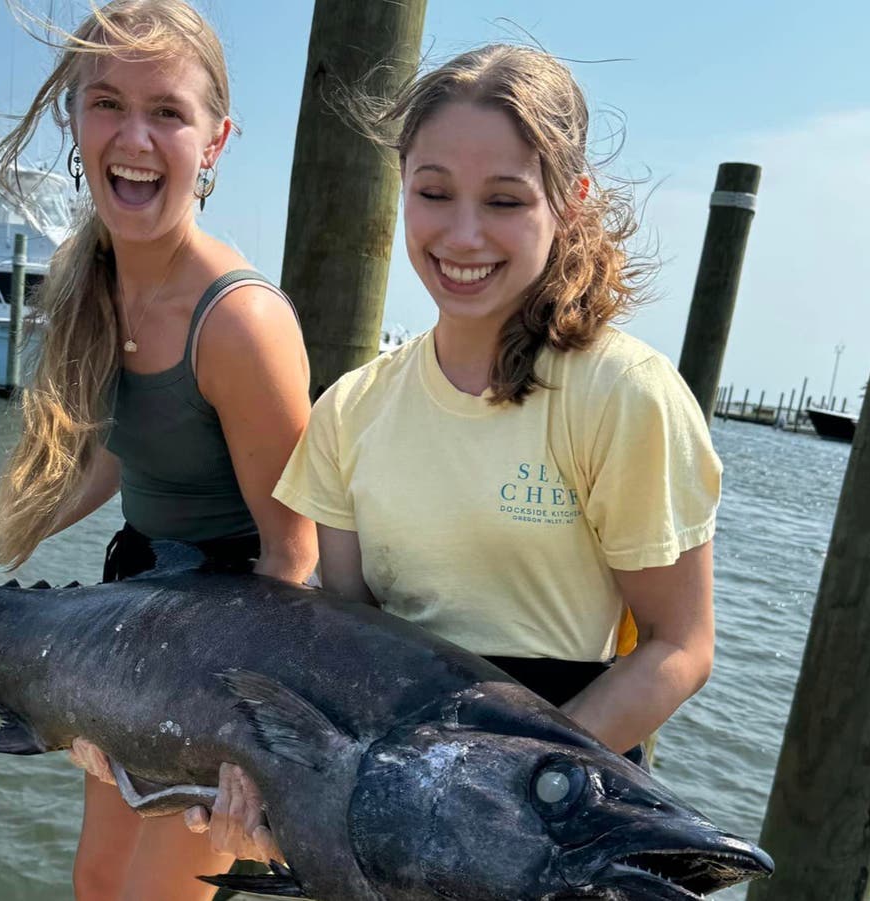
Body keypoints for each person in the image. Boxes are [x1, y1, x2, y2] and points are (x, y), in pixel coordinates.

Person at [0, 2, 314, 898]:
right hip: (132, 617)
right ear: (74, 119)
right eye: (106, 102)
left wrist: (254, 751)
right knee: (98, 882)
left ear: (216, 142)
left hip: (218, 654)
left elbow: (295, 558)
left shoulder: (240, 322)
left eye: (168, 111)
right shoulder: (89, 280)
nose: (134, 135)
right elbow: (106, 455)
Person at [271, 43, 721, 768]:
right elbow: (347, 646)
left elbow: (680, 645)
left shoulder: (624, 394)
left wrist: (511, 775)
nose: (463, 235)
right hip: (392, 775)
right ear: (401, 185)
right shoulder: (349, 410)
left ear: (569, 203)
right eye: (434, 192)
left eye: (505, 200)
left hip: (557, 789)